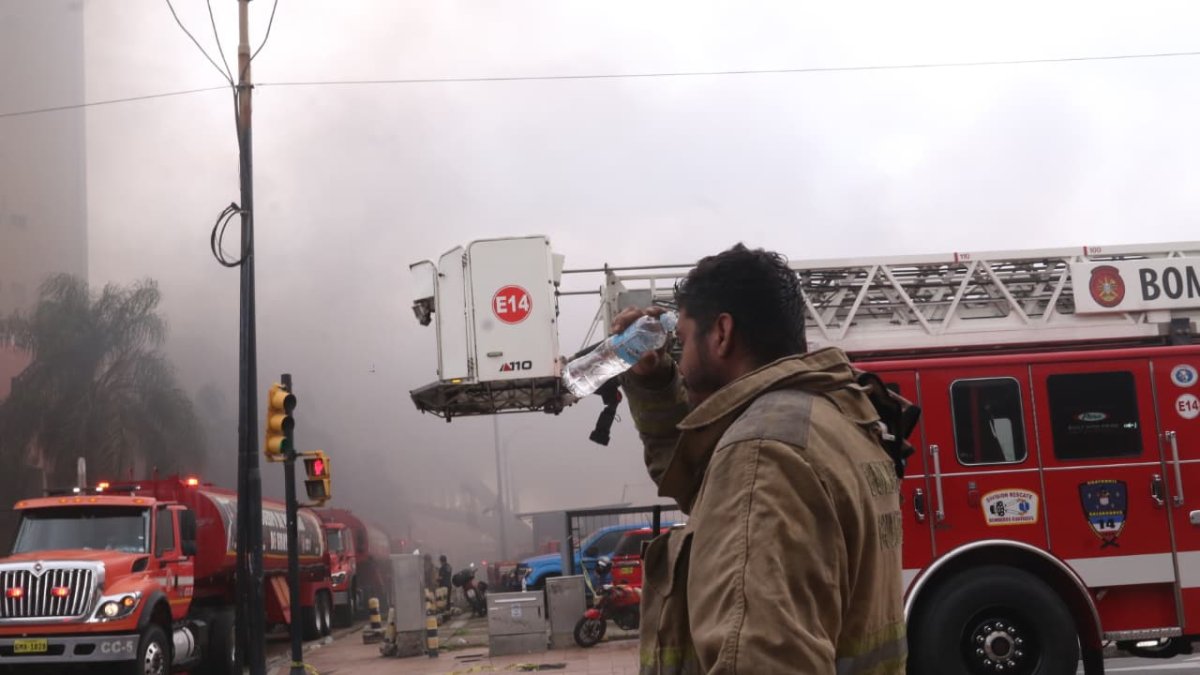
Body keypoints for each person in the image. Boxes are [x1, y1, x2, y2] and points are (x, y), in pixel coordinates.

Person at [617, 243, 906, 674]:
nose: (681, 357)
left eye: (682, 338)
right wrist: (655, 383)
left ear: (721, 333)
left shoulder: (761, 455)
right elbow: (701, 477)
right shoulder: (828, 418)